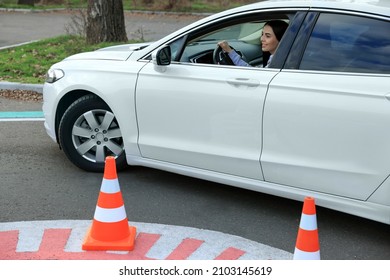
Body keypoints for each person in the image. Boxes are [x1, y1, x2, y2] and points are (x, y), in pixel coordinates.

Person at [217, 20, 289, 67]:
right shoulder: (278, 58)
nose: (261, 39)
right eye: (262, 34)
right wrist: (230, 51)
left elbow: (254, 75)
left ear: (281, 39)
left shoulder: (278, 63)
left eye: (267, 36)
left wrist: (231, 53)